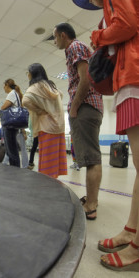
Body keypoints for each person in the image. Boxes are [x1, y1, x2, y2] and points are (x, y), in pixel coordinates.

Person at [73, 0, 139, 271]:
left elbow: (128, 24)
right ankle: (132, 230)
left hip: (135, 74)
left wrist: (98, 36)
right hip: (128, 76)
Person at [53, 22, 103, 219]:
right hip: (91, 107)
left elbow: (85, 79)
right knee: (92, 157)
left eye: (55, 37)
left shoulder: (75, 47)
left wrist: (74, 107)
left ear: (63, 35)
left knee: (91, 158)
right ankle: (92, 198)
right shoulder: (75, 49)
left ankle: (91, 206)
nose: (54, 41)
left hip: (85, 107)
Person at [23, 63, 67, 178]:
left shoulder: (35, 87)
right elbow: (60, 95)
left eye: (28, 73)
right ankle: (54, 181)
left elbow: (25, 101)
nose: (28, 75)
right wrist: (50, 107)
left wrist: (40, 111)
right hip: (59, 126)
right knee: (55, 160)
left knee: (47, 161)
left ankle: (48, 186)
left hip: (46, 127)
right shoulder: (51, 85)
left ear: (32, 74)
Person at [1, 79, 21, 167]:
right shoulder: (16, 93)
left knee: (11, 150)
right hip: (14, 125)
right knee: (13, 149)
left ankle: (15, 169)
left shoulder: (12, 94)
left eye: (4, 86)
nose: (4, 88)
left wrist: (1, 109)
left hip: (9, 126)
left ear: (7, 85)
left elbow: (3, 107)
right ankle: (15, 168)